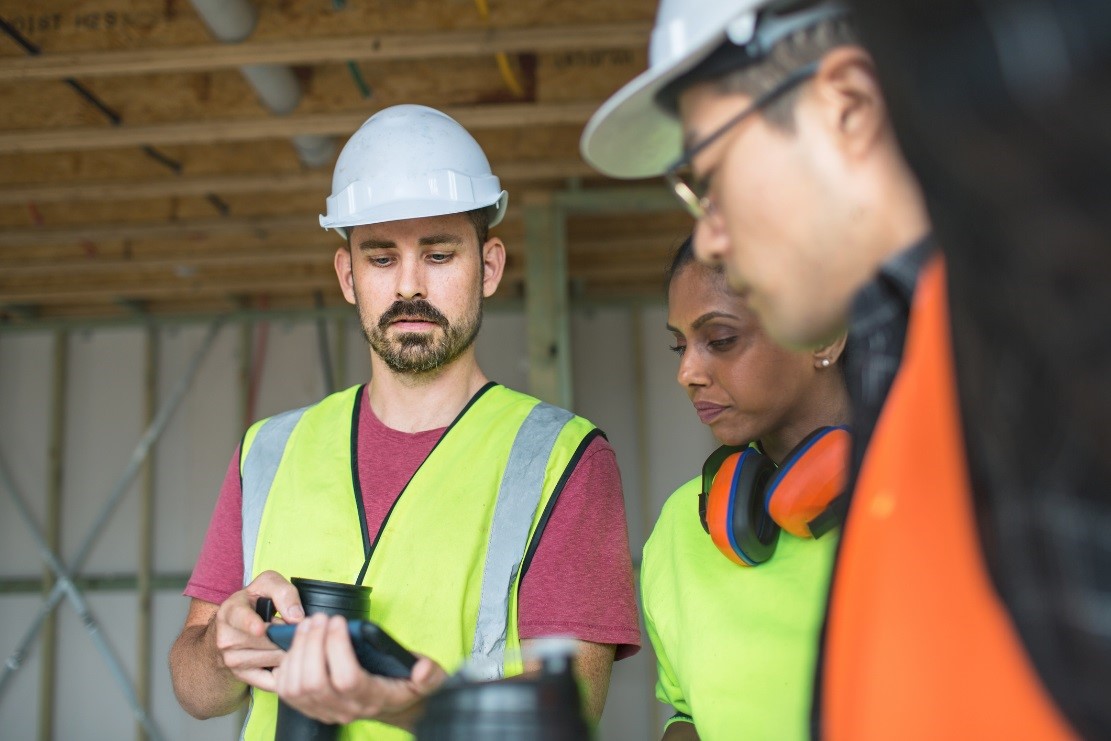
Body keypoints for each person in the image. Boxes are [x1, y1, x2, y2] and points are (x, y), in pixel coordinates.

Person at [581, 1, 1075, 738]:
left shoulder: (1034, 376)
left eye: (713, 176)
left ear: (846, 106)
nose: (710, 237)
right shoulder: (912, 382)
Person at [169, 104, 640, 740]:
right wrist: (224, 647)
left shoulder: (560, 457)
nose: (409, 286)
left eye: (440, 255)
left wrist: (397, 702)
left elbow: (567, 713)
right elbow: (196, 692)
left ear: (490, 266)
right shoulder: (269, 451)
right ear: (347, 275)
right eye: (382, 258)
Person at [643, 237, 850, 740]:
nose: (686, 373)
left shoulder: (939, 503)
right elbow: (684, 715)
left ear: (822, 336)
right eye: (679, 345)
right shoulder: (680, 524)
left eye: (720, 339)